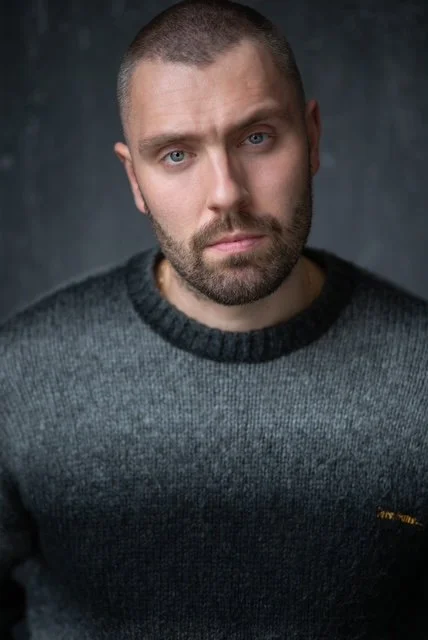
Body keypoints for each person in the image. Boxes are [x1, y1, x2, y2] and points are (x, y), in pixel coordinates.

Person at [1, 0, 427, 638]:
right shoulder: (21, 376)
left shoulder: (419, 375)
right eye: (176, 154)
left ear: (312, 138)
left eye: (257, 138)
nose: (226, 192)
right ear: (134, 179)